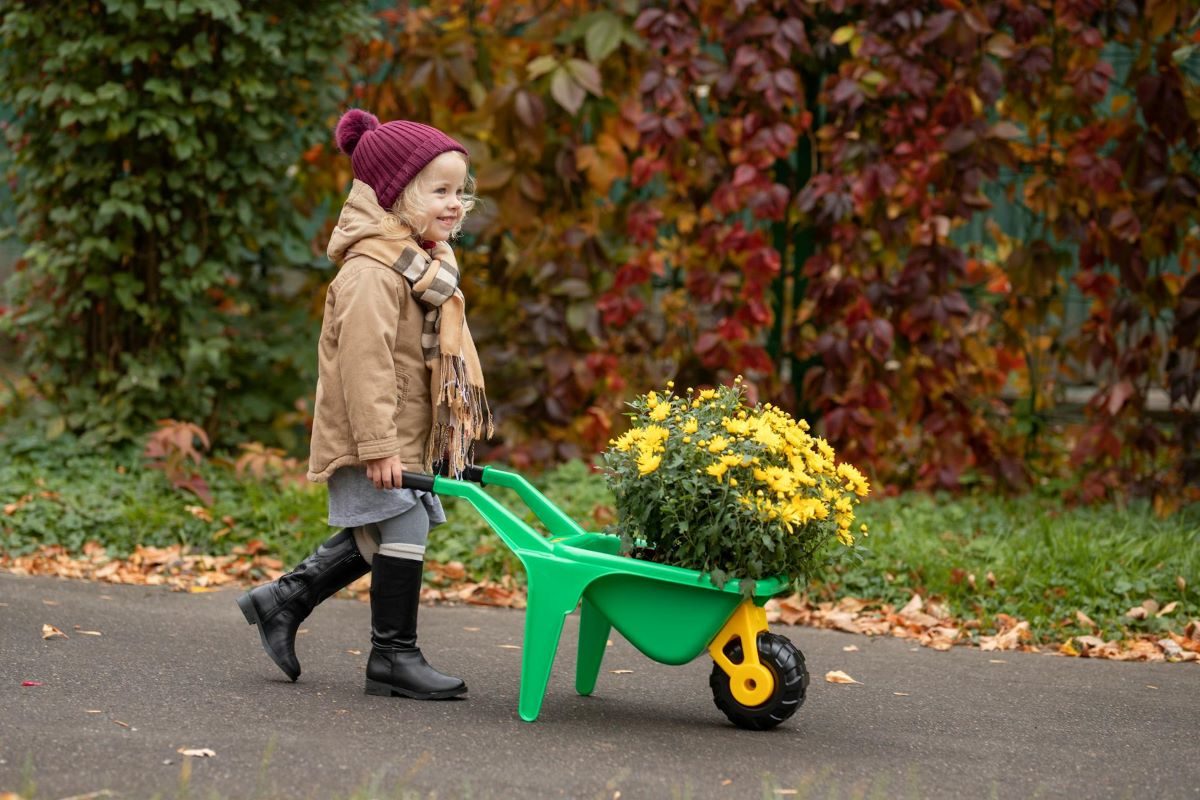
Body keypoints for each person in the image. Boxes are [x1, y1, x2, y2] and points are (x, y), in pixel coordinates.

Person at [237, 109, 492, 701]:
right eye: (440, 190)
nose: (455, 203)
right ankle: (392, 656)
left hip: (406, 431)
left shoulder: (422, 265)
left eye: (461, 191)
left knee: (391, 530)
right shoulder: (372, 273)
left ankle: (283, 600)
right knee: (402, 528)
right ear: (396, 196)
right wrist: (378, 447)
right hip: (375, 433)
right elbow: (363, 365)